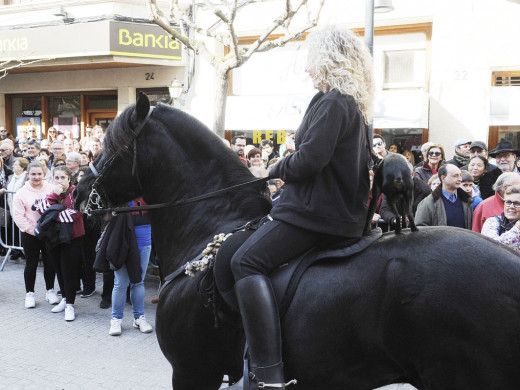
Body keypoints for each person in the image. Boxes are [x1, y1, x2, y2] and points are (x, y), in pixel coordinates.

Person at [228, 26, 373, 390]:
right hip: (341, 214)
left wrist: (274, 170)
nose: (308, 69)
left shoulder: (335, 101)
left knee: (244, 261)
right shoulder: (352, 102)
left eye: (311, 61)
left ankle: (269, 373)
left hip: (316, 213)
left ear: (327, 59)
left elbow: (310, 160)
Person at [36, 165, 85, 321]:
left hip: (73, 238)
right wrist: (53, 199)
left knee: (69, 271)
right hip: (54, 238)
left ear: (69, 178)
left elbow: (74, 215)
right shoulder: (52, 193)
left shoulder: (76, 192)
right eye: (56, 177)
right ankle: (64, 299)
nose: (59, 181)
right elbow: (42, 209)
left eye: (62, 177)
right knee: (59, 269)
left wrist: (52, 213)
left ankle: (70, 305)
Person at [105, 198, 153, 336]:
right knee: (120, 283)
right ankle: (116, 319)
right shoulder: (119, 194)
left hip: (145, 241)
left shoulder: (148, 193)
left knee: (138, 282)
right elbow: (105, 217)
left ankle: (139, 318)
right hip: (123, 242)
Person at [12, 162, 57, 309]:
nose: (36, 177)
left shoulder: (51, 189)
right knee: (31, 264)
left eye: (39, 174)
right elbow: (18, 216)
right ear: (28, 174)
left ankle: (50, 291)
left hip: (49, 233)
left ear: (44, 174)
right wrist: (33, 230)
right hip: (30, 234)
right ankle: (29, 293)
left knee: (50, 262)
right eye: (33, 174)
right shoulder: (21, 193)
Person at [415, 164, 473, 229]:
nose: (460, 179)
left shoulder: (466, 200)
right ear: (443, 178)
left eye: (460, 175)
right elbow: (420, 229)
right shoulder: (428, 203)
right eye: (455, 176)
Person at [481, 185, 520, 250]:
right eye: (508, 202)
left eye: (517, 203)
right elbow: (491, 246)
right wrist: (516, 230)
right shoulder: (493, 221)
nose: (511, 207)